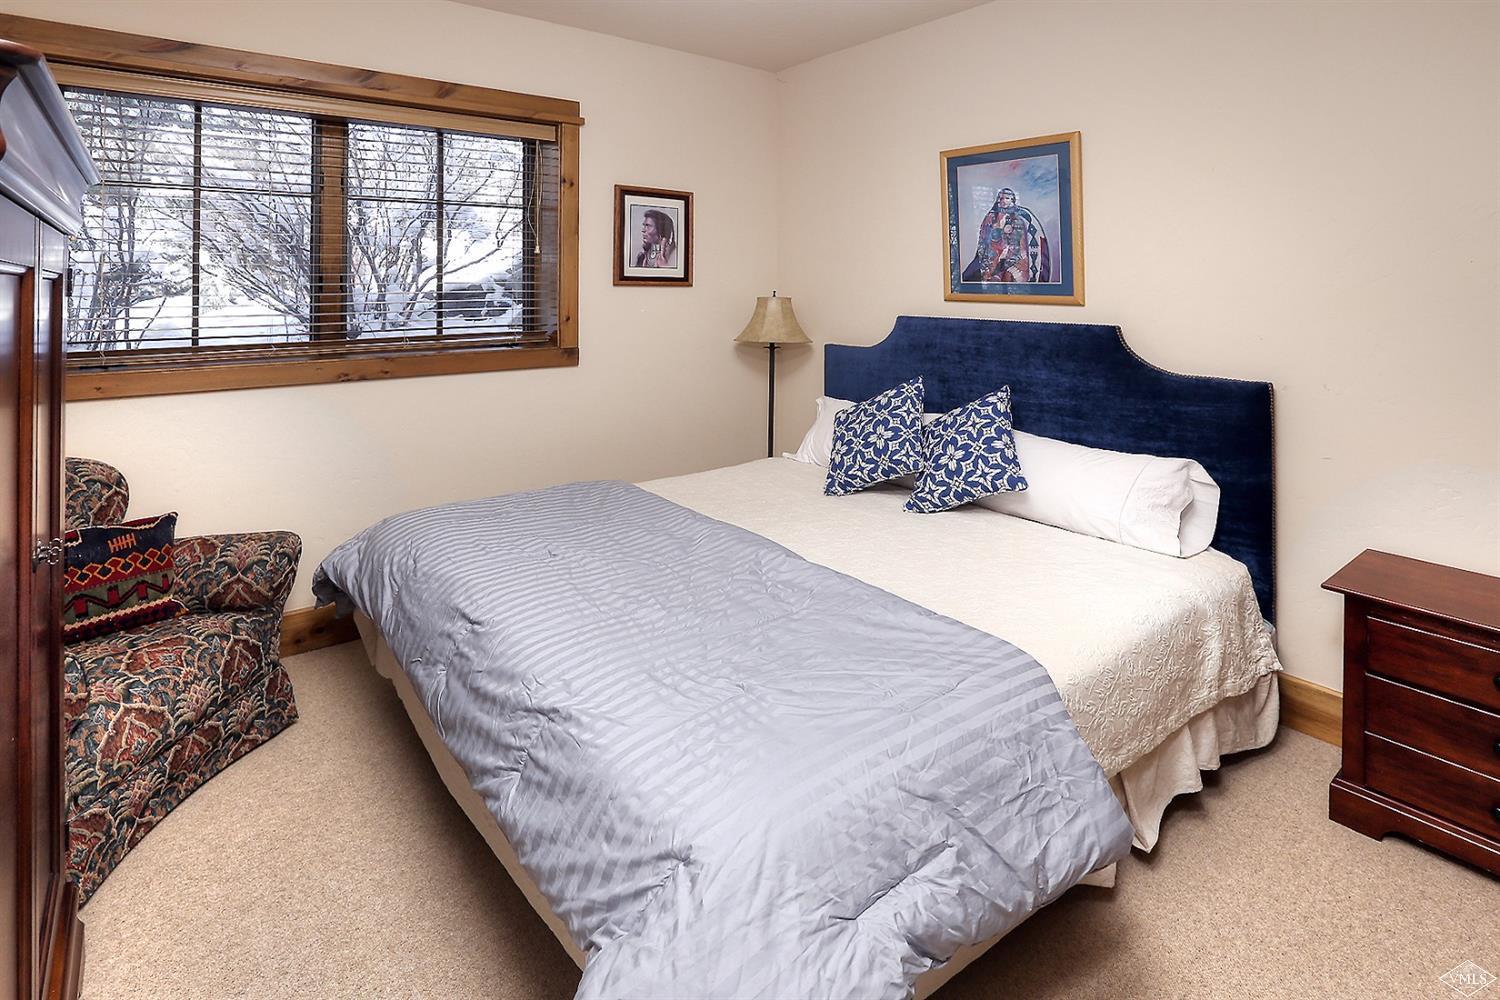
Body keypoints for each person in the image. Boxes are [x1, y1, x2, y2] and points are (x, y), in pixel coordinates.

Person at [961, 187, 1051, 284]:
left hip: (1017, 256)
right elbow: (985, 241)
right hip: (994, 256)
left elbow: (1024, 242)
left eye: (1007, 198)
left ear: (1012, 200)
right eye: (1001, 198)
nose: (1003, 201)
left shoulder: (1021, 216)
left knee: (1010, 276)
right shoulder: (991, 216)